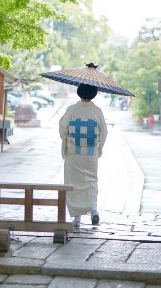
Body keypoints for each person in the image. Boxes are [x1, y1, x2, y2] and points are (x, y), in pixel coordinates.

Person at [59, 83, 108, 228]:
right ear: (94, 94)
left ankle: (77, 218)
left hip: (73, 154)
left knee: (72, 183)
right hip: (90, 154)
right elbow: (104, 132)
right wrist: (98, 148)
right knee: (91, 181)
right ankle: (93, 210)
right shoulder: (97, 111)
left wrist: (67, 139)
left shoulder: (72, 109)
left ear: (79, 92)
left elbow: (63, 129)